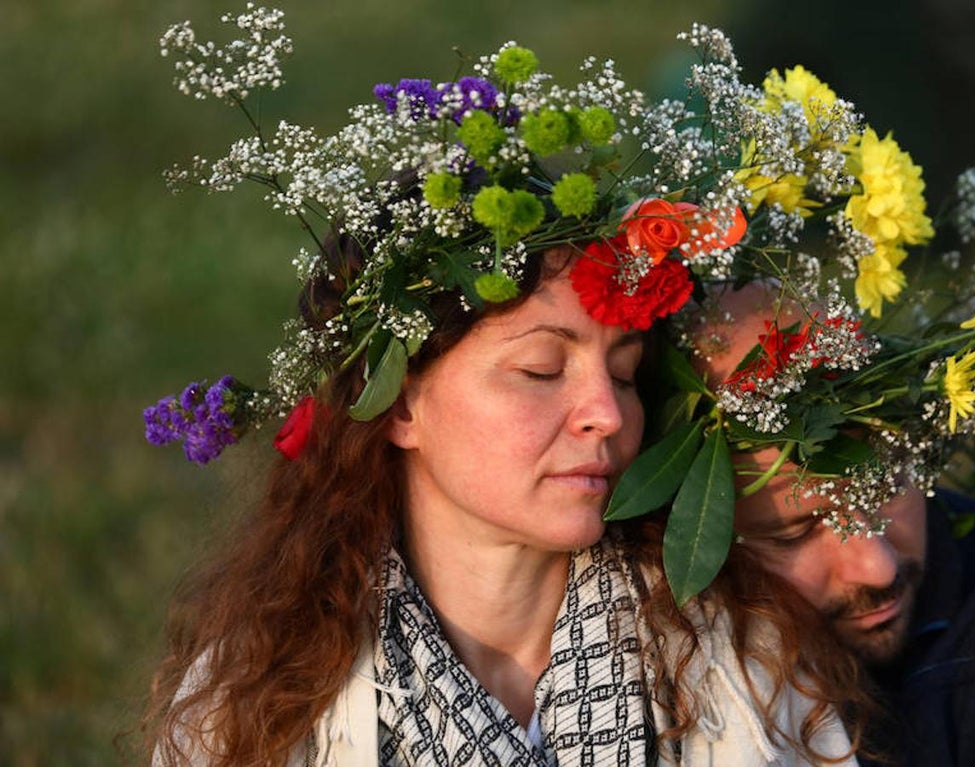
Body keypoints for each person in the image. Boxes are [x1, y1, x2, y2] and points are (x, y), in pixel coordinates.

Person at [142, 10, 867, 765]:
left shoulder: (744, 666)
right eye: (541, 370)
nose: (605, 413)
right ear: (399, 401)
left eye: (623, 373)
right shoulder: (258, 708)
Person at [690, 280, 975, 766]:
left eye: (888, 489)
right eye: (796, 532)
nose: (878, 568)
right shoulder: (652, 660)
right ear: (695, 530)